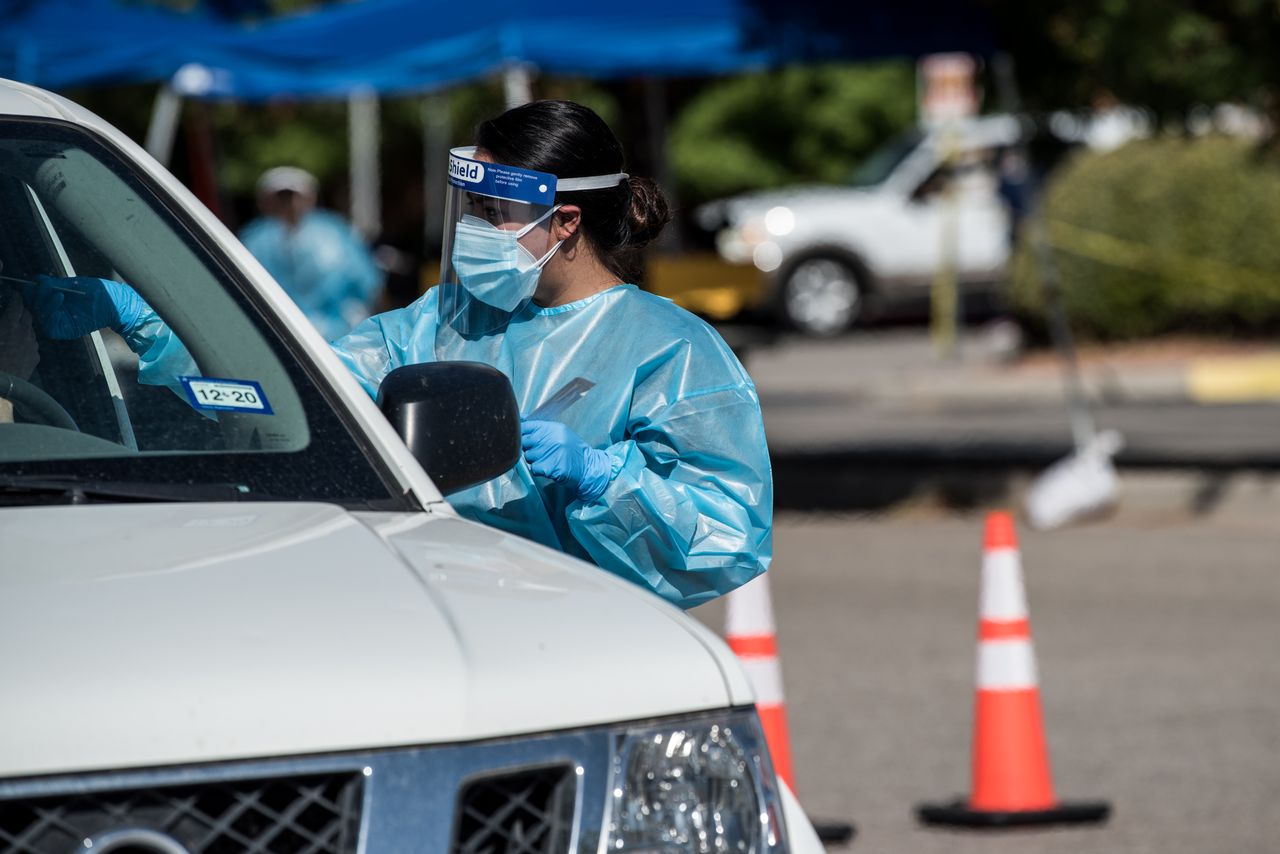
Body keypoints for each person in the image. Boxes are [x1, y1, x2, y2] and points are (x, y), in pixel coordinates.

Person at [22, 100, 772, 610]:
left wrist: (606, 480)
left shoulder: (673, 351)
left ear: (565, 220)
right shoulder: (444, 319)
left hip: (585, 637)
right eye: (470, 209)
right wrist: (152, 322)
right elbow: (298, 386)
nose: (473, 228)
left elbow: (727, 538)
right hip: (431, 612)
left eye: (492, 212)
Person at [240, 166, 383, 341]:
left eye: (293, 195)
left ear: (310, 198)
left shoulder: (334, 231)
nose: (290, 202)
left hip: (338, 334)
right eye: (282, 196)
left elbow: (366, 282)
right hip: (274, 333)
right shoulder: (256, 237)